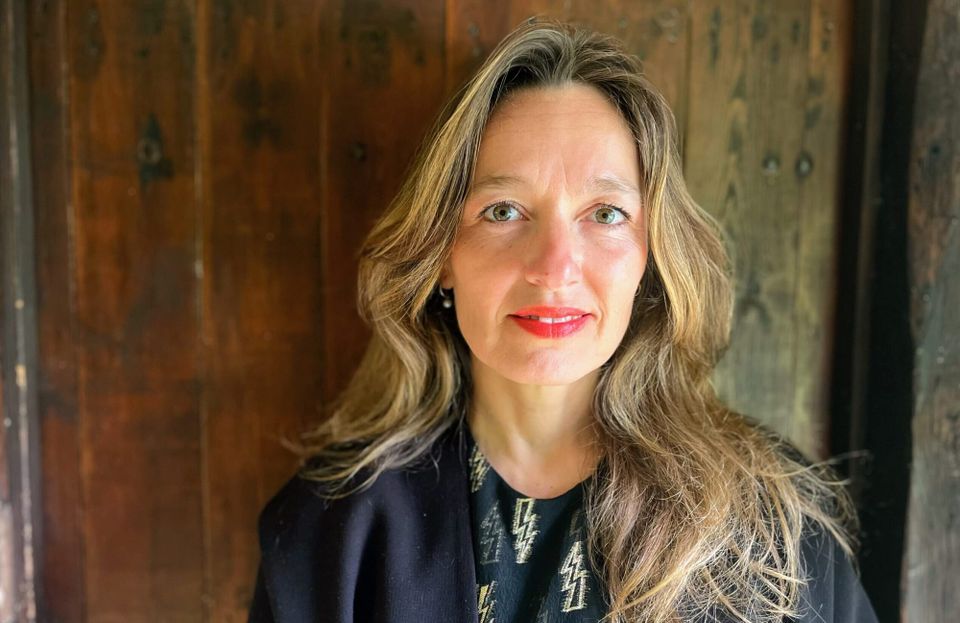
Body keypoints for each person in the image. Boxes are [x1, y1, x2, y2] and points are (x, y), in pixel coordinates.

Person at [247, 18, 879, 623]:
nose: (554, 268)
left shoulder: (771, 523)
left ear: (651, 260)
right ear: (441, 256)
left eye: (605, 214)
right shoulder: (329, 533)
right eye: (503, 210)